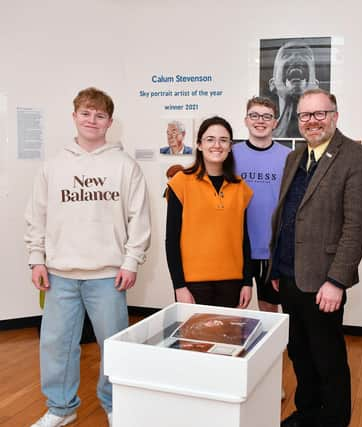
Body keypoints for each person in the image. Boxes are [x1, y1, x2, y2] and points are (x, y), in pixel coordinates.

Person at [25, 87, 151, 427]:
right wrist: (37, 258)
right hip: (59, 273)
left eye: (99, 115)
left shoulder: (125, 166)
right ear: (74, 116)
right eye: (85, 113)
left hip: (108, 275)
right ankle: (61, 409)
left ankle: (114, 404)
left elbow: (138, 218)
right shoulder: (53, 166)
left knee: (114, 346)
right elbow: (38, 216)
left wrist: (131, 261)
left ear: (109, 122)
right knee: (57, 346)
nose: (91, 120)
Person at [270, 89, 362, 427]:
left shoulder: (356, 157)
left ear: (335, 116)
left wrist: (336, 280)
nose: (312, 121)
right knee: (299, 352)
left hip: (323, 280)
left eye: (320, 114)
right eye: (305, 115)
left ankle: (332, 420)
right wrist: (276, 265)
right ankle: (308, 412)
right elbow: (287, 214)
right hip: (288, 275)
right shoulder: (294, 156)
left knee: (326, 357)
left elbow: (357, 225)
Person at [165, 116, 253, 308]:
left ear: (230, 146)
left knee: (229, 337)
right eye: (210, 139)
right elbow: (171, 240)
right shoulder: (180, 183)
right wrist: (179, 286)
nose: (217, 145)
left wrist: (247, 281)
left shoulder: (240, 187)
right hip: (193, 284)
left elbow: (244, 239)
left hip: (232, 282)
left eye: (223, 140)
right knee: (194, 338)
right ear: (199, 145)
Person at [233, 97, 289, 313]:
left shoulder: (288, 157)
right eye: (254, 115)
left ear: (275, 122)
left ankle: (274, 349)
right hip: (238, 248)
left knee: (269, 310)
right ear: (246, 120)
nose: (260, 121)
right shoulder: (231, 155)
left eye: (267, 116)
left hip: (272, 250)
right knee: (235, 309)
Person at [269, 40, 320, 139]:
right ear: (273, 84)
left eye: (305, 54)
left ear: (315, 85)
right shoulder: (264, 135)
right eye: (286, 54)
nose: (296, 56)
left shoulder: (324, 135)